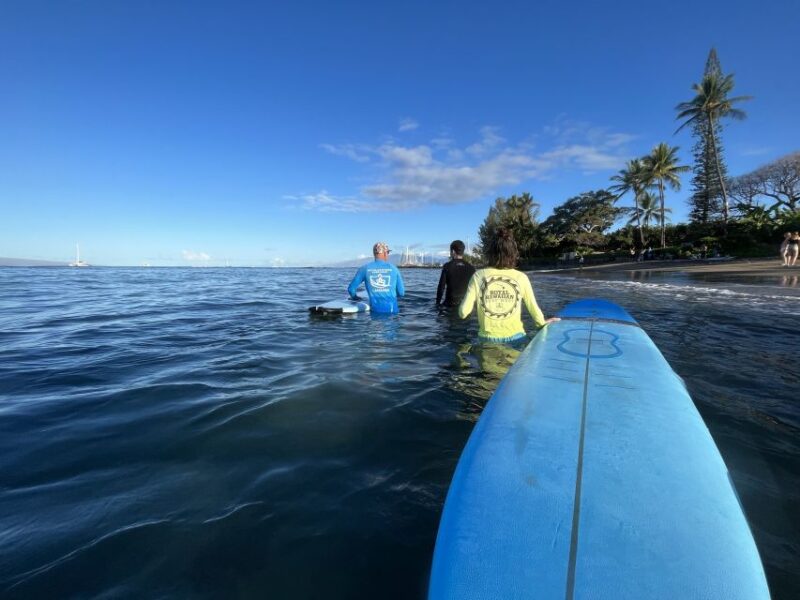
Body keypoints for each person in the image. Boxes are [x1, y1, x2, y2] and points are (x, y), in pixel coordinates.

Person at [458, 228, 558, 342]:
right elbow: (534, 310)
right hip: (517, 339)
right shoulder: (521, 277)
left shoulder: (478, 276)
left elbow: (463, 312)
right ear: (513, 254)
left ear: (490, 253)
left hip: (487, 341)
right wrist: (542, 323)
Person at [348, 242, 405, 313]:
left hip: (374, 313)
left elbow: (351, 289)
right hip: (392, 312)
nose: (388, 255)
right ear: (384, 253)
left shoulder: (364, 268)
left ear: (374, 253)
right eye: (388, 252)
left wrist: (355, 298)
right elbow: (401, 293)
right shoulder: (394, 268)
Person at [436, 240, 476, 308]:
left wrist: (437, 304)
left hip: (450, 304)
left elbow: (441, 287)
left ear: (453, 251)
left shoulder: (447, 266)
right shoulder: (472, 268)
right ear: (463, 251)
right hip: (466, 305)